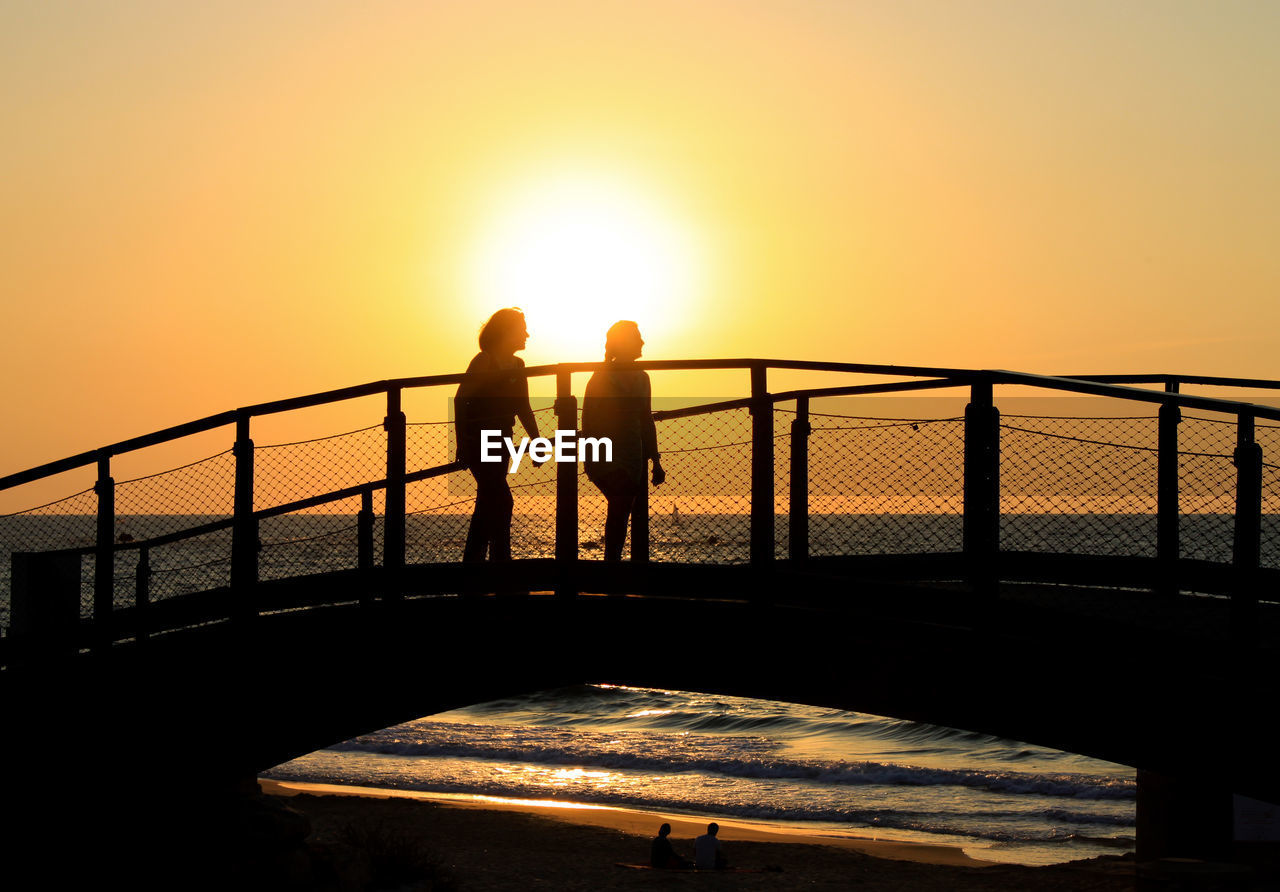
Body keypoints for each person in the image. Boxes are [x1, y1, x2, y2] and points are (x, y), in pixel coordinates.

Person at [454, 308, 541, 563]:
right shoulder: (484, 361)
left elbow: (523, 405)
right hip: (479, 440)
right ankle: (501, 565)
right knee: (502, 501)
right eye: (522, 328)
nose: (527, 334)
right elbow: (461, 400)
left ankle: (474, 566)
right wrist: (462, 443)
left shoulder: (518, 365)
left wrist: (535, 440)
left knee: (487, 504)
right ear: (506, 331)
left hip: (503, 441)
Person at [581, 321, 665, 561]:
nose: (642, 342)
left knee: (621, 511)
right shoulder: (601, 378)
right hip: (607, 455)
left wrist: (655, 460)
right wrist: (591, 456)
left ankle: (612, 566)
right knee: (620, 510)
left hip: (632, 456)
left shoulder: (642, 378)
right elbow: (588, 419)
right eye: (637, 337)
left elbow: (646, 420)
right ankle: (611, 567)